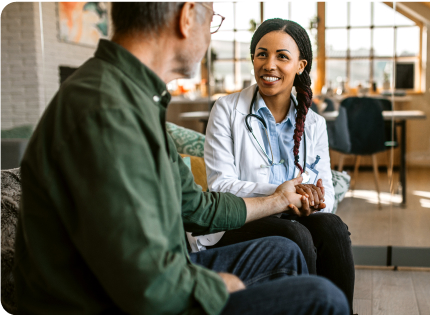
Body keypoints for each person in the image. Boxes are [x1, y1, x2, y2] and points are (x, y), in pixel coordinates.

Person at [13, 3, 350, 315]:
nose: (209, 34)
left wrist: (277, 199)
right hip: (107, 300)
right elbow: (141, 280)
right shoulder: (107, 110)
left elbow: (195, 206)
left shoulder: (134, 97)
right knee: (324, 298)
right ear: (187, 16)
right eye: (212, 18)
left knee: (286, 250)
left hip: (157, 272)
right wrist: (214, 286)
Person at [204, 18, 355, 312]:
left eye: (282, 56)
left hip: (295, 216)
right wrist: (282, 195)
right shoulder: (226, 110)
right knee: (296, 234)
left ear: (300, 65)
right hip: (240, 221)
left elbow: (328, 194)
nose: (269, 64)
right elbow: (220, 186)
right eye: (262, 54)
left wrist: (313, 199)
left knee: (332, 227)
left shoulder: (314, 124)